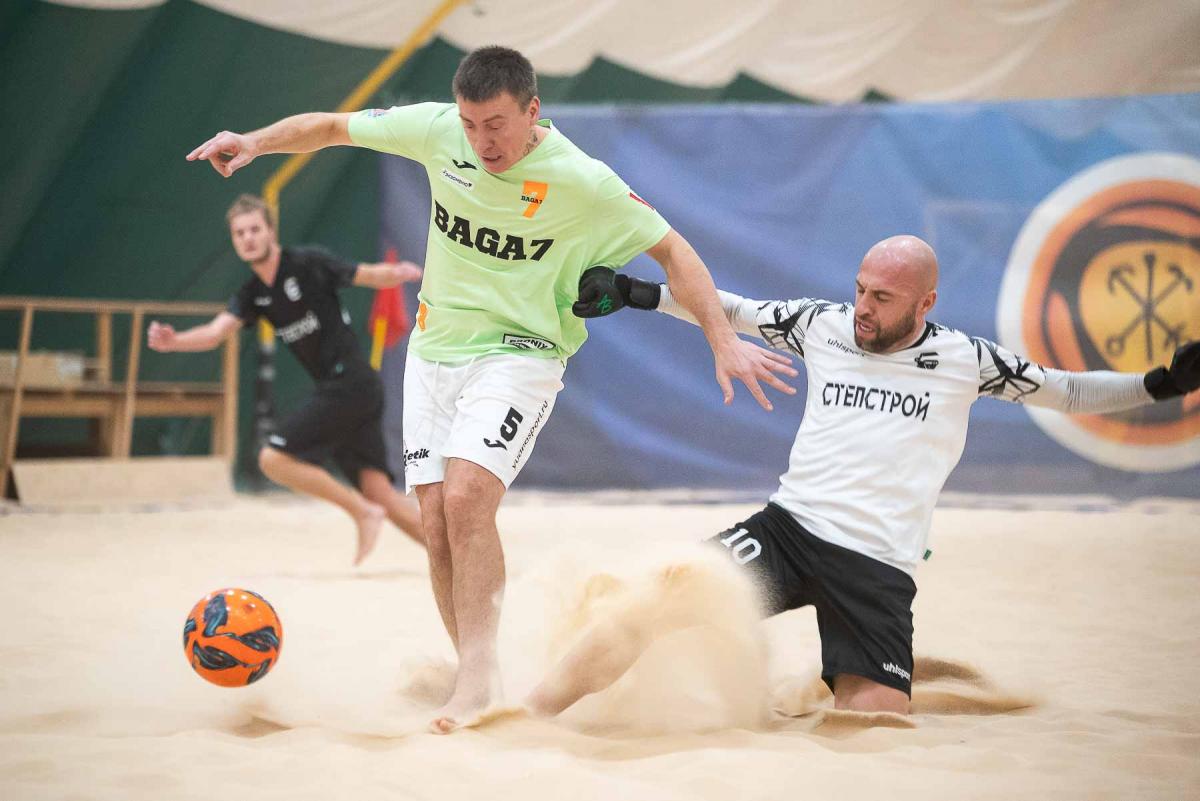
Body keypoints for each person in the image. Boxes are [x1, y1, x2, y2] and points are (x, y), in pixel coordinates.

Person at [185, 46, 796, 733]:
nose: (483, 141)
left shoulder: (582, 179)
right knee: (436, 520)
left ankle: (474, 684)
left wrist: (721, 338)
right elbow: (329, 127)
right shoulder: (437, 129)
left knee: (469, 497)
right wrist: (254, 142)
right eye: (472, 124)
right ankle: (477, 670)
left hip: (521, 353)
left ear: (533, 111)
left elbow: (674, 250)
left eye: (497, 124)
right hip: (434, 351)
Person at [524, 234, 1200, 718]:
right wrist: (635, 293)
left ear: (925, 302)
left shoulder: (966, 360)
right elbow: (729, 309)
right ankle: (525, 715)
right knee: (644, 607)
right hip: (787, 533)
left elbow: (1066, 389)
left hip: (876, 568)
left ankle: (855, 680)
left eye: (881, 297)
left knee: (871, 722)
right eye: (859, 289)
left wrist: (1161, 384)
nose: (863, 308)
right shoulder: (823, 326)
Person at [147, 194, 425, 564]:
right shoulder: (253, 294)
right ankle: (456, 560)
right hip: (349, 391)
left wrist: (399, 273)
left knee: (273, 459)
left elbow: (365, 274)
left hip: (350, 382)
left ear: (270, 231)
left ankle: (360, 513)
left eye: (254, 229)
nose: (248, 238)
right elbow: (215, 333)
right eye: (240, 233)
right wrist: (175, 341)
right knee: (380, 493)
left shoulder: (307, 263)